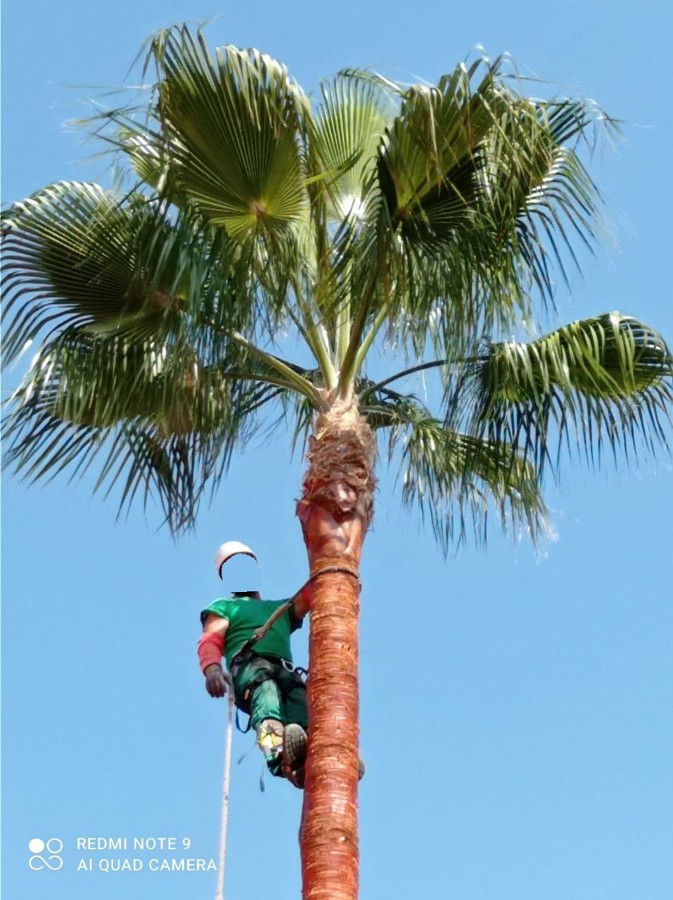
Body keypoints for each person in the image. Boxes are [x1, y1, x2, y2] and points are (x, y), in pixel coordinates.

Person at [197, 541, 312, 788]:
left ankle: (320, 759)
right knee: (267, 696)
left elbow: (309, 597)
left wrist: (337, 574)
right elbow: (211, 640)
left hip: (286, 672)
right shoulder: (226, 606)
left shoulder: (279, 608)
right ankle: (280, 756)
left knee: (303, 707)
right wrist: (212, 669)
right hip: (252, 669)